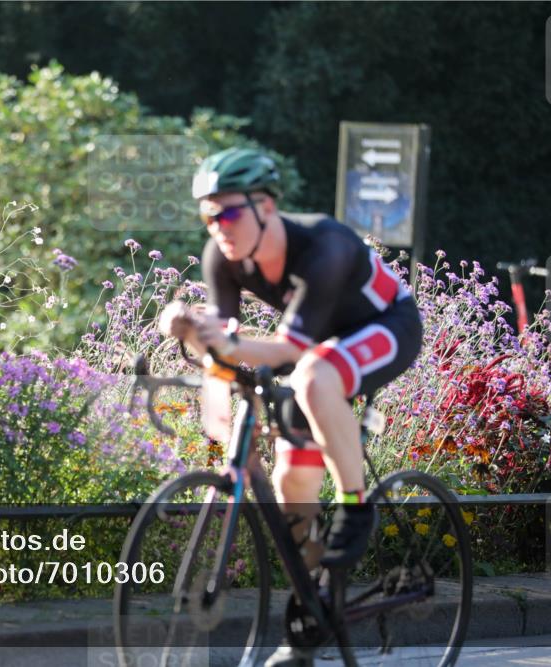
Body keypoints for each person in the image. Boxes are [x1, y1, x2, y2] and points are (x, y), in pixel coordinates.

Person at [159, 148, 423, 666]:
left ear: (266, 206)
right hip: (318, 349)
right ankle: (311, 612)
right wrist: (192, 331)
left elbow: (285, 351)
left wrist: (222, 343)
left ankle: (355, 503)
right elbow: (227, 350)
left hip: (386, 326)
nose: (218, 226)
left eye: (229, 212)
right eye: (208, 215)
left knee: (313, 374)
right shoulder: (222, 259)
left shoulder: (322, 245)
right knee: (291, 482)